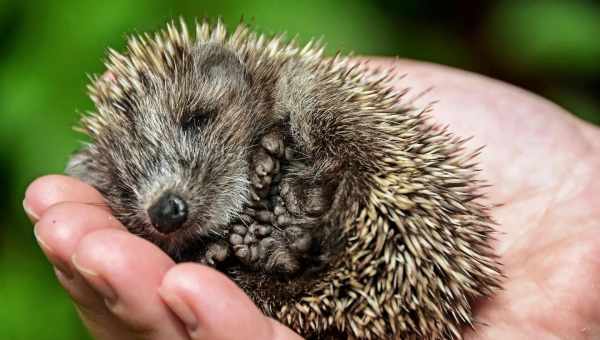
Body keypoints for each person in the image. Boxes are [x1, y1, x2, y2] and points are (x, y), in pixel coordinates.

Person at [23, 59, 600, 340]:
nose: (161, 200)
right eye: (128, 184)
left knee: (313, 107)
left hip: (349, 186)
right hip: (303, 272)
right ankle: (274, 261)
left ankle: (295, 217)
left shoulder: (288, 92)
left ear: (229, 81)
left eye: (195, 124)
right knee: (211, 278)